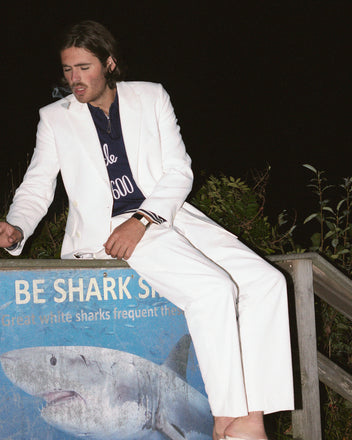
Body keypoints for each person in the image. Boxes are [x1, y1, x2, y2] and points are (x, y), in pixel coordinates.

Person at [0, 20, 294, 440]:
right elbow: (37, 185)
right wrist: (16, 225)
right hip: (111, 230)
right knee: (212, 290)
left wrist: (144, 219)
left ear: (110, 64)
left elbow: (179, 171)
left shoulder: (152, 96)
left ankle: (252, 417)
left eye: (83, 68)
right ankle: (227, 421)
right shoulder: (55, 119)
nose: (74, 79)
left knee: (267, 282)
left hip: (164, 215)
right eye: (67, 70)